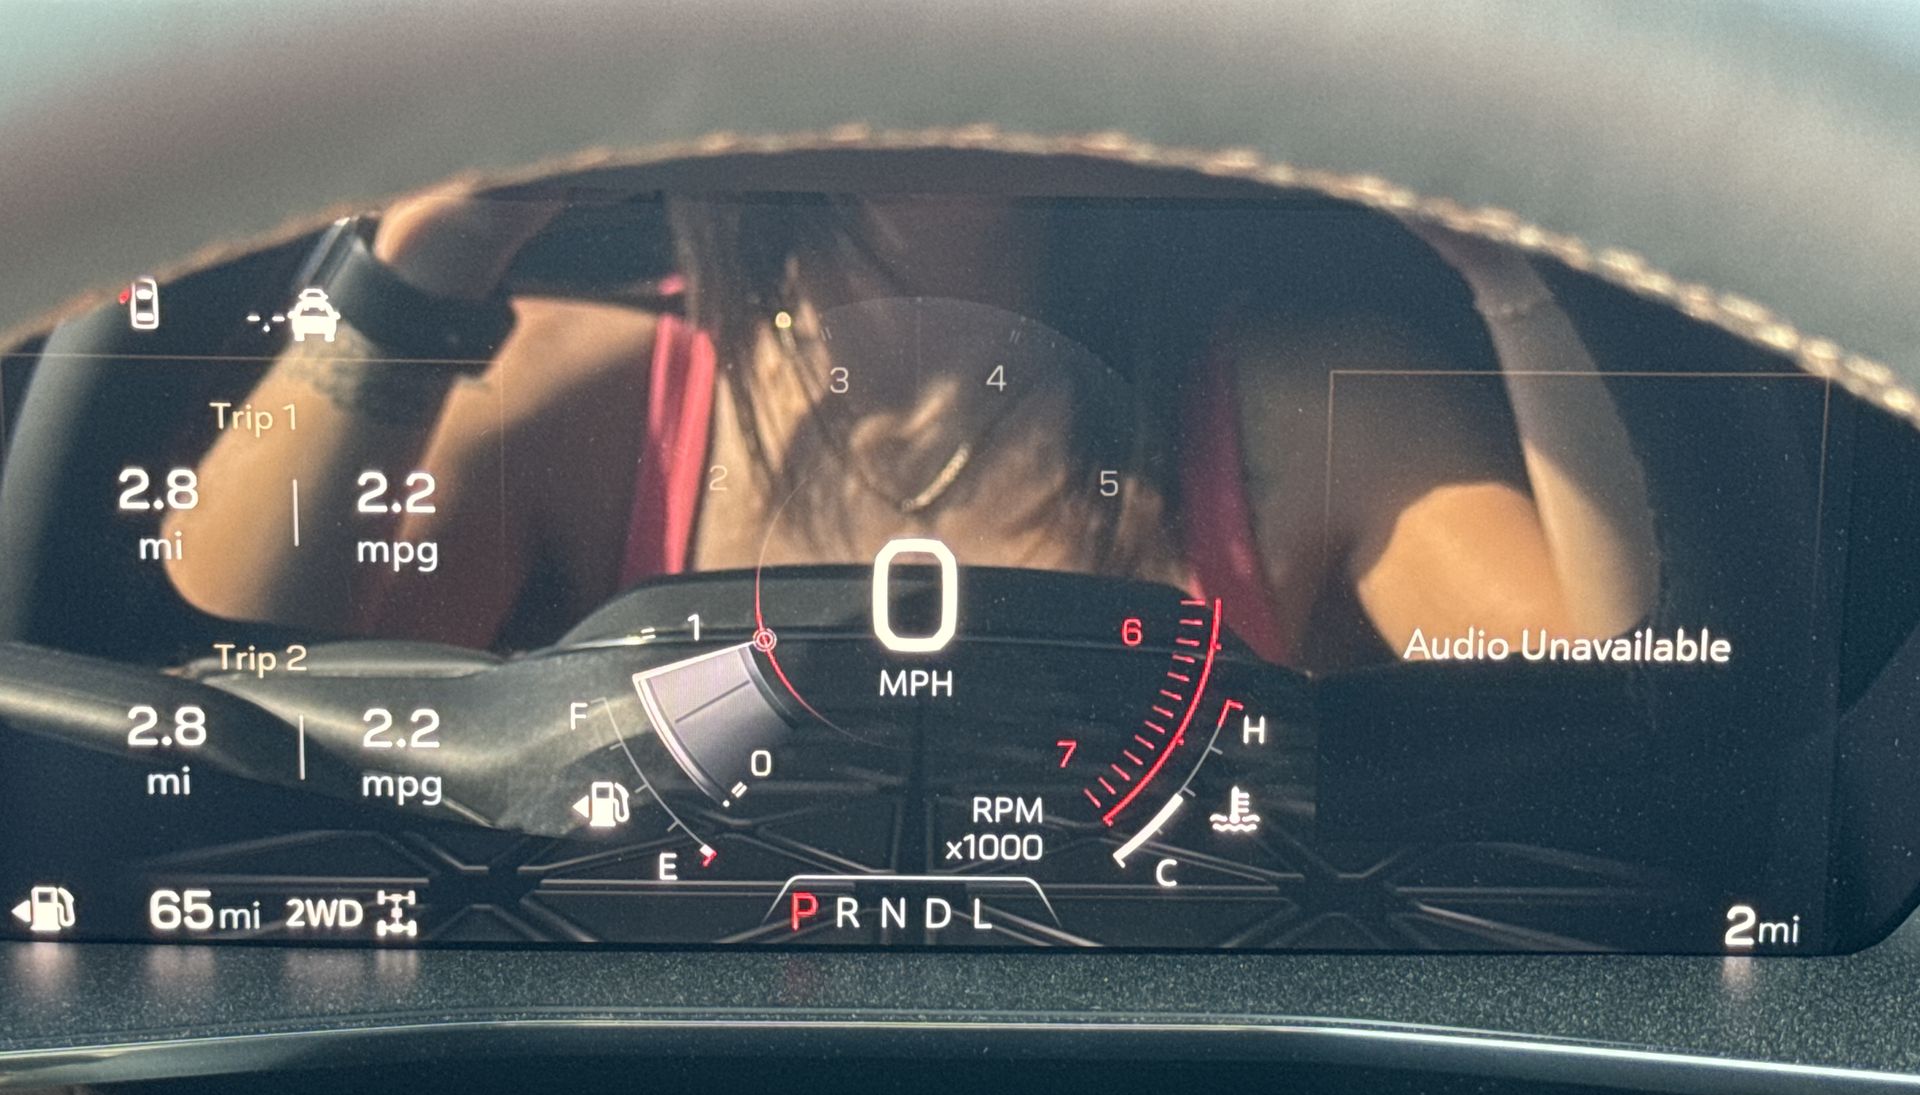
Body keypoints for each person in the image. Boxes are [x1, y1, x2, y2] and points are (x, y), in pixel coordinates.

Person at [166, 181, 1657, 668]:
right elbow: (234, 662)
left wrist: (1504, 259)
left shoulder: (1306, 401)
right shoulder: (589, 388)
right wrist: (431, 253)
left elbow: (1605, 686)